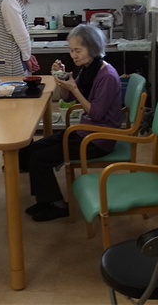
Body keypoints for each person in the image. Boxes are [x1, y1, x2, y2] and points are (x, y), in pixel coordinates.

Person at [21, 23, 122, 221]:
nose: (73, 55)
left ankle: (58, 205)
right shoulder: (88, 69)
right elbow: (67, 99)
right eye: (71, 50)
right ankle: (45, 200)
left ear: (92, 48)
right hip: (86, 131)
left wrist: (74, 88)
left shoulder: (106, 75)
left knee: (40, 158)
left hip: (99, 139)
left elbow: (97, 114)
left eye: (78, 50)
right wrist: (62, 78)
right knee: (30, 149)